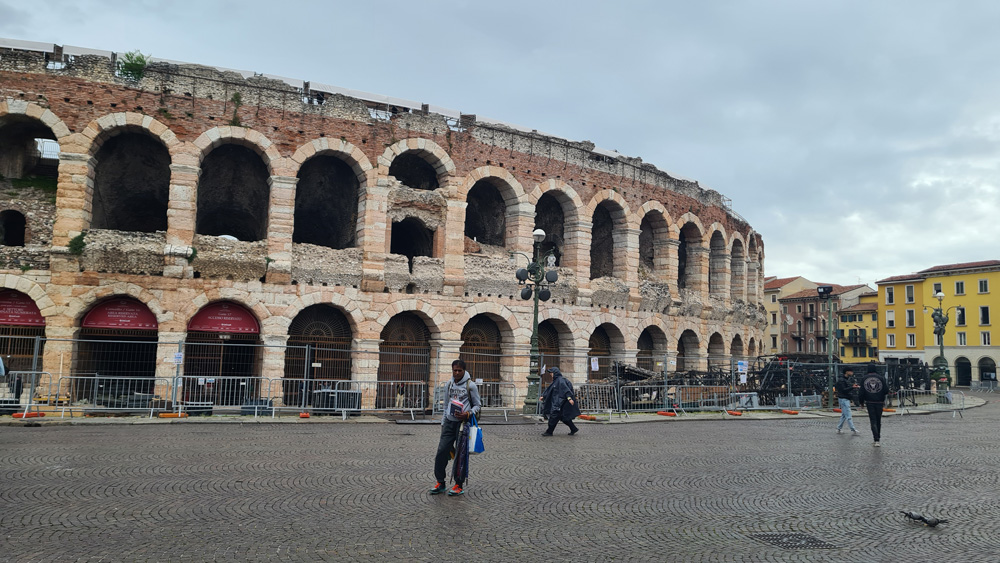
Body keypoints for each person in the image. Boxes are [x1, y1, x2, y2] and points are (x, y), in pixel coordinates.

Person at [430, 359, 481, 496]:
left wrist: (468, 413)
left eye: (460, 370)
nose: (457, 373)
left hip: (463, 425)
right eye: (455, 370)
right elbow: (446, 405)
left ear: (464, 371)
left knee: (460, 455)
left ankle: (459, 484)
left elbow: (477, 405)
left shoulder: (471, 386)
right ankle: (440, 482)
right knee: (441, 451)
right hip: (449, 423)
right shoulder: (449, 384)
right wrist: (443, 422)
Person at [540, 366, 580, 436]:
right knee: (564, 418)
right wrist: (543, 396)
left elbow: (566, 390)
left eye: (551, 373)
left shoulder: (560, 381)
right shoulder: (556, 381)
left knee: (553, 417)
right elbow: (550, 390)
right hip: (559, 402)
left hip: (559, 403)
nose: (550, 374)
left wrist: (569, 398)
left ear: (555, 373)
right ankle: (573, 428)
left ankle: (549, 432)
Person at [858, 366, 890, 447]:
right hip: (879, 401)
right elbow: (886, 390)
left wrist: (861, 402)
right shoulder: (881, 378)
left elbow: (861, 392)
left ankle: (876, 439)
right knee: (878, 420)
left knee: (873, 420)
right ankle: (878, 438)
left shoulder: (864, 378)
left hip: (869, 401)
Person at [835, 368, 860, 435]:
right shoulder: (842, 380)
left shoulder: (844, 379)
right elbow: (844, 390)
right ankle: (853, 429)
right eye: (850, 371)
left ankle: (839, 428)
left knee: (844, 414)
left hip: (844, 398)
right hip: (844, 398)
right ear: (846, 372)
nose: (852, 372)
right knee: (848, 415)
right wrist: (852, 387)